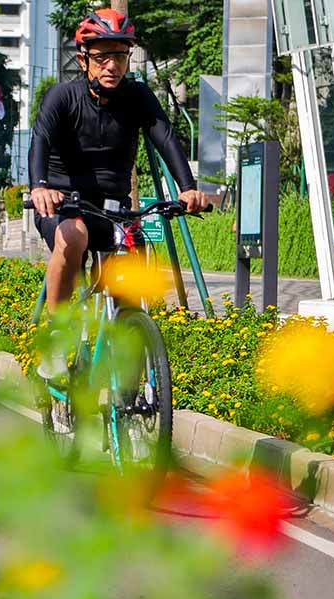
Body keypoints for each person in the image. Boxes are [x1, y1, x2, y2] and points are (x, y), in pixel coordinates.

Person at [28, 8, 206, 377]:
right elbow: (40, 141)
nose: (112, 65)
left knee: (130, 269)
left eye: (120, 56)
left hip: (115, 210)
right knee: (73, 236)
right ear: (84, 59)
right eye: (102, 56)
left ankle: (126, 360)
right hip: (65, 204)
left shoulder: (138, 97)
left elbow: (165, 138)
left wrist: (188, 189)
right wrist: (40, 187)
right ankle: (58, 334)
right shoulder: (62, 97)